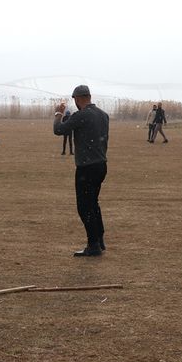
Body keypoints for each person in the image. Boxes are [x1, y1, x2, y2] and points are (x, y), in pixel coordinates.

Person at [53, 85, 109, 257]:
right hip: (100, 165)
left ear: (77, 99)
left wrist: (58, 114)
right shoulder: (103, 115)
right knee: (93, 203)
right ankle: (99, 240)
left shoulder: (82, 115)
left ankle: (93, 246)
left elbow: (59, 130)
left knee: (84, 207)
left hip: (87, 167)